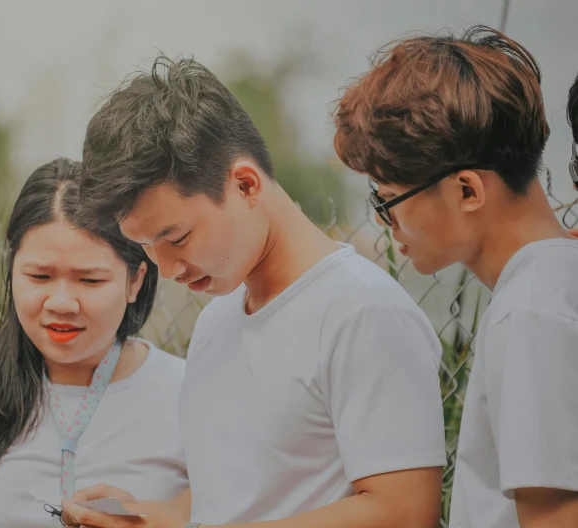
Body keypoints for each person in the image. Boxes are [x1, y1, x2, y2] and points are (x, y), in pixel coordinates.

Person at [61, 54, 447, 528]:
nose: (166, 267)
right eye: (145, 246)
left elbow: (405, 511)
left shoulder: (364, 312)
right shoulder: (217, 321)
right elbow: (221, 499)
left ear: (245, 184)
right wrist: (145, 516)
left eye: (176, 237)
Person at [333, 26, 578, 528]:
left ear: (467, 190)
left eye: (387, 199)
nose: (386, 222)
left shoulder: (529, 313)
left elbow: (556, 516)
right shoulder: (552, 285)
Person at [0, 158, 188, 528]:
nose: (61, 303)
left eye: (89, 280)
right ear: (13, 269)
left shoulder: (187, 394)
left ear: (135, 281)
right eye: (39, 276)